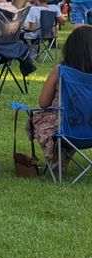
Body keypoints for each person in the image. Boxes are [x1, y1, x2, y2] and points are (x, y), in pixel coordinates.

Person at [26, 26, 92, 167]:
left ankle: (59, 159)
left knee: (43, 118)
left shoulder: (60, 71)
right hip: (89, 128)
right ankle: (64, 158)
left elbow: (43, 103)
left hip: (67, 129)